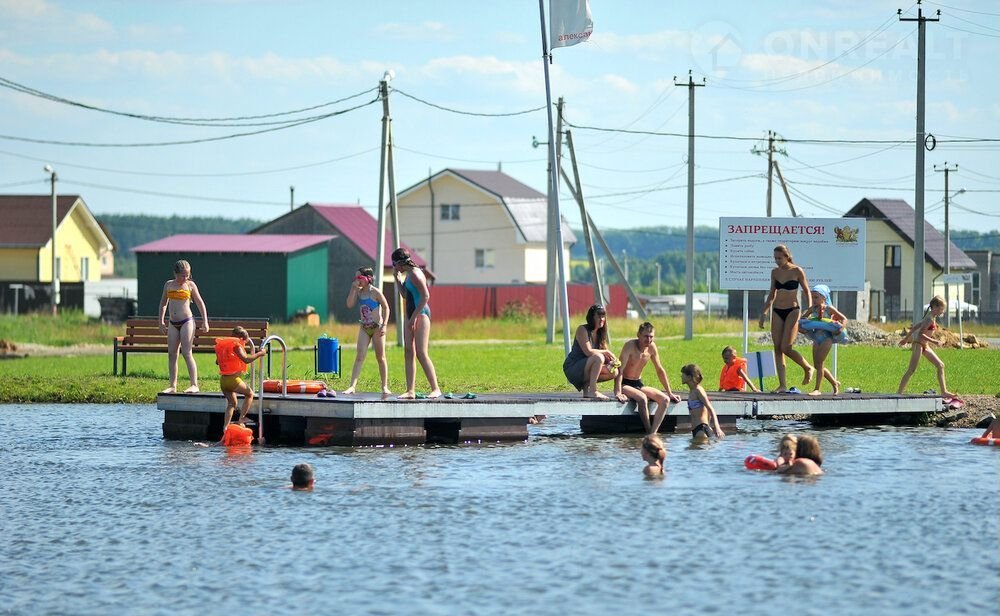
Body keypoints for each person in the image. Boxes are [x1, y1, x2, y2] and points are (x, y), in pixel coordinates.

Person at [758, 244, 814, 393]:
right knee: (777, 348)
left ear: (787, 256)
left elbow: (807, 291)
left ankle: (807, 367)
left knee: (786, 347)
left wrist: (809, 308)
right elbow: (772, 294)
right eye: (775, 258)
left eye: (779, 258)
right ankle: (782, 385)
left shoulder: (797, 271)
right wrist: (764, 313)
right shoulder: (775, 272)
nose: (777, 261)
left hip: (792, 310)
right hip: (777, 310)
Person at [613, 322, 682, 434]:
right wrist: (618, 392)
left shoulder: (652, 347)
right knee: (642, 398)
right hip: (625, 384)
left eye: (651, 337)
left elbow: (659, 370)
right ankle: (648, 431)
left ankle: (653, 432)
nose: (648, 340)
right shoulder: (629, 346)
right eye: (646, 336)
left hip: (638, 383)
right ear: (638, 335)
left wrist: (670, 393)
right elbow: (619, 370)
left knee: (665, 400)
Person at [391, 248, 441, 399]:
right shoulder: (408, 274)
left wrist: (413, 318)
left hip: (421, 314)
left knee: (421, 352)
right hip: (411, 315)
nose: (394, 267)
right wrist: (398, 280)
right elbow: (405, 295)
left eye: (394, 264)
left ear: (400, 263)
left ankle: (436, 388)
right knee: (408, 351)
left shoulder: (416, 274)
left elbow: (426, 296)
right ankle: (410, 391)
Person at [157, 259, 209, 393]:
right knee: (172, 354)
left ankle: (194, 384)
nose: (185, 278)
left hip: (187, 321)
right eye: (182, 275)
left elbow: (200, 303)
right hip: (173, 323)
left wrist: (205, 321)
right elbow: (163, 303)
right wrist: (161, 321)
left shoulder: (190, 285)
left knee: (186, 352)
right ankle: (172, 386)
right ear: (175, 274)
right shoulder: (168, 285)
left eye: (187, 275)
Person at [342, 267, 391, 399]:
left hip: (377, 328)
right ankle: (352, 386)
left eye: (359, 277)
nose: (357, 280)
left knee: (380, 357)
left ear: (368, 278)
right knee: (359, 356)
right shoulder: (358, 292)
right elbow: (349, 304)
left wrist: (384, 325)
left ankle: (384, 386)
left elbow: (386, 308)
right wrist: (353, 289)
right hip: (364, 328)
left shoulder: (375, 292)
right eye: (355, 277)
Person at [897, 295, 956, 399]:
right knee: (911, 370)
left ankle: (944, 391)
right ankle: (898, 393)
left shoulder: (931, 317)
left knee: (940, 365)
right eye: (942, 309)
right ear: (935, 307)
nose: (943, 311)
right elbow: (920, 334)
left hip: (925, 345)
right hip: (918, 345)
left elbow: (915, 326)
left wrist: (906, 339)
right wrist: (934, 341)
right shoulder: (929, 319)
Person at [216, 326, 267, 432]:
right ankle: (242, 418)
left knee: (232, 404)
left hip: (223, 380)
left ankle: (225, 427)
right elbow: (246, 359)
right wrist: (260, 353)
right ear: (241, 339)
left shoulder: (226, 347)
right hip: (233, 380)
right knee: (249, 394)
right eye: (245, 341)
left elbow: (217, 361)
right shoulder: (237, 346)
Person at [563, 304, 618, 399]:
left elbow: (605, 358)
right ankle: (593, 391)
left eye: (603, 316)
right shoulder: (582, 329)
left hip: (586, 367)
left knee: (614, 371)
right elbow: (588, 352)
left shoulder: (601, 334)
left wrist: (612, 362)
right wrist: (606, 352)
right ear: (592, 317)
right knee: (598, 357)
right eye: (599, 316)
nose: (602, 319)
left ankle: (587, 390)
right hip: (573, 367)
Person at [800, 284, 847, 396]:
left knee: (820, 362)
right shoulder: (812, 309)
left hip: (827, 338)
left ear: (824, 298)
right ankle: (834, 383)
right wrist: (804, 326)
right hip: (816, 338)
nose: (814, 300)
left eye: (816, 297)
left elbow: (844, 319)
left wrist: (840, 328)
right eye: (812, 297)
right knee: (817, 366)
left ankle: (817, 389)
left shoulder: (829, 309)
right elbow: (802, 319)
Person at [680, 364, 724, 441]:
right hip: (696, 430)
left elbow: (710, 408)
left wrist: (717, 428)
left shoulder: (698, 390)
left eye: (683, 374)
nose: (681, 376)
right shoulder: (692, 390)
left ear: (689, 377)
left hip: (701, 429)